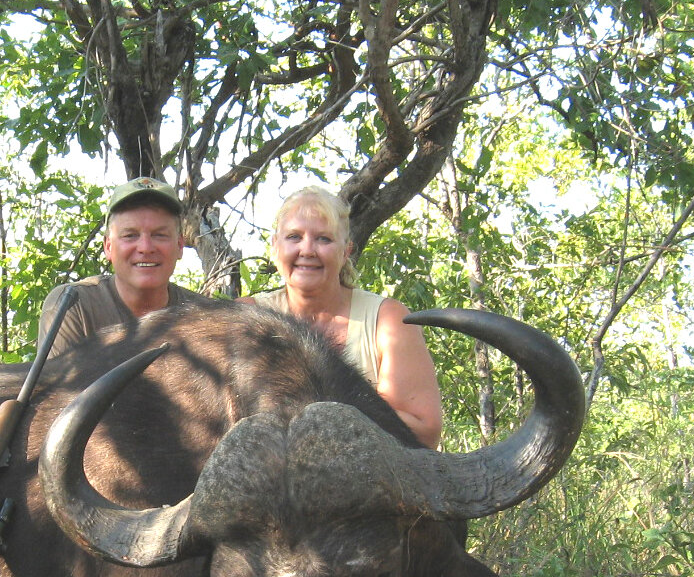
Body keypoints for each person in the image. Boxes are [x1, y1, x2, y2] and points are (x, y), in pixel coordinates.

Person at [243, 186, 443, 448]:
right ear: (275, 246)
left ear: (346, 250)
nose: (307, 250)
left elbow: (424, 432)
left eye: (324, 239)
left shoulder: (387, 319)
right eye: (294, 237)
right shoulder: (248, 316)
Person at [38, 177, 209, 358]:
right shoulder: (72, 306)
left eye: (160, 235)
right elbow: (59, 385)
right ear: (108, 247)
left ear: (180, 246)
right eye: (130, 235)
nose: (145, 247)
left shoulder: (205, 316)